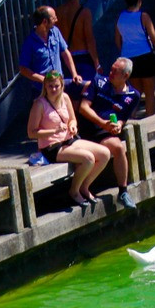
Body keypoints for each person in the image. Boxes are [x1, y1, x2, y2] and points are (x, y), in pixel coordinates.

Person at [27, 72, 110, 207]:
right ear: (45, 87)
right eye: (50, 86)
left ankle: (85, 186)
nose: (54, 89)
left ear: (61, 86)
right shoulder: (39, 104)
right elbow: (31, 133)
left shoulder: (65, 98)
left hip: (69, 139)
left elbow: (72, 119)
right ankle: (74, 190)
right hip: (52, 146)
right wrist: (54, 131)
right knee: (88, 158)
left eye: (56, 86)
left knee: (104, 153)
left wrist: (72, 126)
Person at [77, 58, 141, 209]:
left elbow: (123, 118)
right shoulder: (98, 82)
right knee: (110, 148)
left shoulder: (133, 95)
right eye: (111, 69)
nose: (110, 73)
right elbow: (83, 108)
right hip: (89, 129)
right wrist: (102, 123)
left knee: (118, 147)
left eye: (115, 71)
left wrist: (118, 125)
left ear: (125, 76)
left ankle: (123, 192)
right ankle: (83, 187)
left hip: (106, 133)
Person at [115, 0, 155, 117]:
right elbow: (154, 38)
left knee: (134, 93)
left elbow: (117, 39)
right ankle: (150, 123)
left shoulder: (120, 17)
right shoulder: (143, 16)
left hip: (129, 58)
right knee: (149, 94)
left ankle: (131, 121)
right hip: (145, 57)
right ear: (139, 0)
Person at [19, 6, 83, 102]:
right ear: (45, 22)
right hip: (41, 90)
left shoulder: (55, 32)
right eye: (53, 18)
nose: (56, 20)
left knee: (86, 87)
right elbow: (23, 69)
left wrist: (74, 74)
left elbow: (65, 53)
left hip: (59, 85)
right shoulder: (30, 43)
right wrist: (43, 79)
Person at [57, 0, 100, 82]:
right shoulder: (84, 12)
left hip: (65, 59)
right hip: (82, 58)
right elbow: (89, 40)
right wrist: (97, 63)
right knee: (87, 91)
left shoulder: (58, 12)